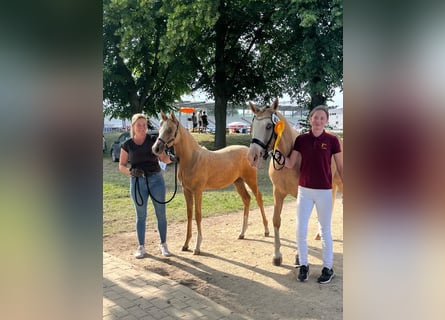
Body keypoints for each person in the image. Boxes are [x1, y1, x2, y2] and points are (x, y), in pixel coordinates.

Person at [283, 106, 343, 284]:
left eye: (321, 118)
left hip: (324, 191)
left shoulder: (333, 140)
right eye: (315, 117)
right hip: (305, 191)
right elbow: (290, 163)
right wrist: (277, 155)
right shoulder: (301, 140)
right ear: (310, 119)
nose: (318, 120)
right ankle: (303, 265)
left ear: (326, 121)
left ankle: (328, 267)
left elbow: (340, 166)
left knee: (325, 231)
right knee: (300, 230)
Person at [119, 113, 173, 259]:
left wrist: (170, 158)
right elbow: (121, 166)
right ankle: (141, 247)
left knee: (161, 214)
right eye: (139, 125)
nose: (142, 128)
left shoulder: (153, 140)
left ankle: (163, 244)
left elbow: (163, 158)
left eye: (144, 125)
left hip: (156, 180)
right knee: (140, 216)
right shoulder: (127, 144)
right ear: (133, 127)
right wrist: (130, 171)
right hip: (137, 182)